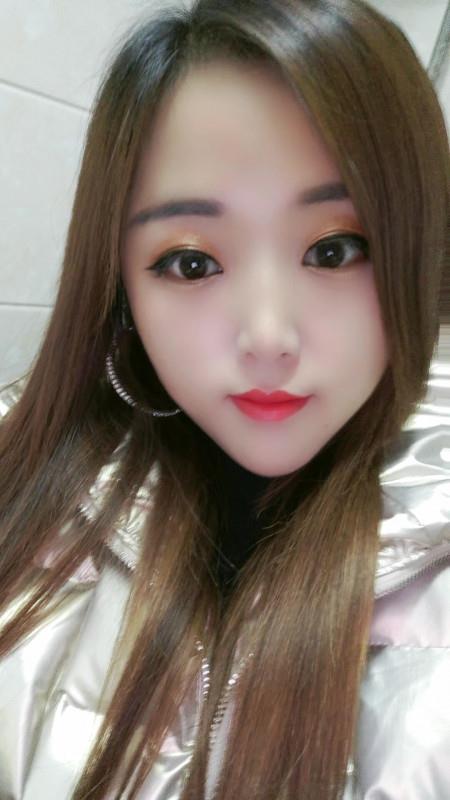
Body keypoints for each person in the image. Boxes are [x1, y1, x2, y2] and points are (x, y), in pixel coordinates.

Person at [0, 0, 449, 797]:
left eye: (336, 250)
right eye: (191, 263)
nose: (268, 337)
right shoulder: (21, 475)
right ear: (120, 287)